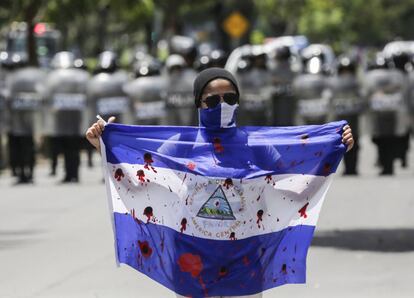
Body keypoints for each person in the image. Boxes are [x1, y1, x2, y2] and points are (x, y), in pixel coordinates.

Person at [86, 68, 354, 298]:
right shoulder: (180, 145)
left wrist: (334, 150)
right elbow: (139, 183)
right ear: (198, 103)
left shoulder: (257, 146)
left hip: (246, 259)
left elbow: (294, 185)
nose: (222, 104)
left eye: (230, 98)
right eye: (212, 100)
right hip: (191, 259)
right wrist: (105, 146)